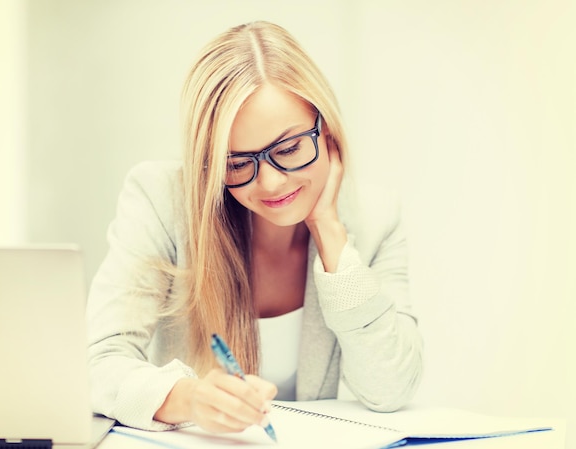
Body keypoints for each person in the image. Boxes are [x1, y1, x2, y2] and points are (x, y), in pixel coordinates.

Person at [86, 20, 423, 434]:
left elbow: (392, 387)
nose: (270, 182)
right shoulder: (160, 201)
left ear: (327, 131)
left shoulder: (375, 218)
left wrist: (330, 232)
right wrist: (188, 398)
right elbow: (97, 362)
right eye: (237, 163)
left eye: (289, 148)